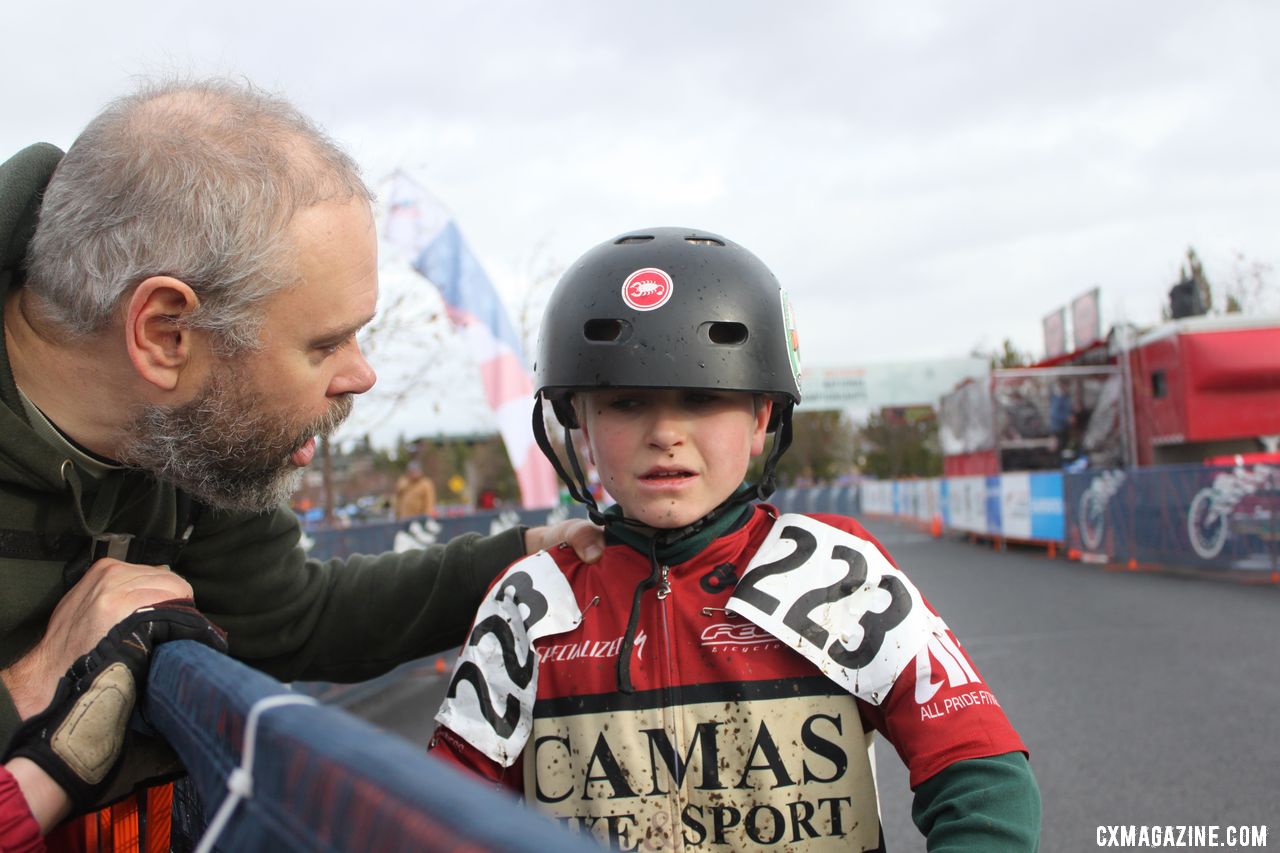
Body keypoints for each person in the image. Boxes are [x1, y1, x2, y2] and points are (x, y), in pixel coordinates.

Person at [0, 79, 601, 844]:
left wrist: (524, 558)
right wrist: (31, 691)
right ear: (165, 334)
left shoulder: (183, 431)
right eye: (324, 343)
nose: (362, 374)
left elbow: (286, 617)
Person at [430, 228, 1041, 850]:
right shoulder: (531, 602)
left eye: (702, 397)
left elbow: (984, 779)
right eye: (627, 401)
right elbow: (443, 820)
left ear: (762, 419)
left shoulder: (833, 572)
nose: (665, 432)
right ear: (578, 420)